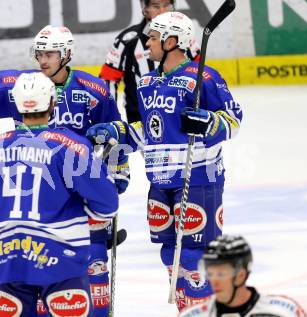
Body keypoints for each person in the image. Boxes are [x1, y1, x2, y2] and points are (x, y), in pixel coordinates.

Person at [0, 25, 129, 317]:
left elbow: (115, 135)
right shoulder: (24, 86)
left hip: (82, 196)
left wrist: (118, 171)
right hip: (40, 197)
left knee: (94, 274)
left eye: (49, 53)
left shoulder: (94, 90)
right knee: (50, 283)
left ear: (66, 54)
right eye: (39, 53)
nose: (42, 60)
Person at [86, 11, 243, 311]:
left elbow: (234, 119)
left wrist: (209, 123)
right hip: (159, 178)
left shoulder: (204, 77)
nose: (148, 42)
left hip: (197, 177)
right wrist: (118, 132)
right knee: (169, 252)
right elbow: (150, 130)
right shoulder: (147, 83)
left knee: (193, 256)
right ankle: (187, 308)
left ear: (173, 41)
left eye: (154, 37)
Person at [100, 0, 199, 124]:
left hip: (181, 121)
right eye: (156, 6)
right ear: (145, 9)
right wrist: (111, 120)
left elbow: (199, 74)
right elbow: (108, 80)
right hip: (140, 122)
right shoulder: (127, 40)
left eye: (167, 6)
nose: (162, 12)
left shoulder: (184, 37)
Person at [178, 235, 307, 317]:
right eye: (210, 274)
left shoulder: (282, 311)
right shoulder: (193, 314)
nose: (214, 281)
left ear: (241, 275)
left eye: (221, 274)